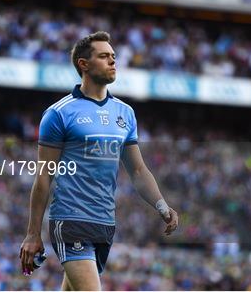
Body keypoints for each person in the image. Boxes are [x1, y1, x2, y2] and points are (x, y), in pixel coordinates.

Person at [19, 31, 179, 290]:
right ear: (84, 64)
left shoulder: (125, 113)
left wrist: (161, 205)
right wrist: (33, 233)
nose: (113, 61)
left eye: (113, 56)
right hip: (70, 220)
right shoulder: (59, 114)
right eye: (104, 56)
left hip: (104, 222)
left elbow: (138, 171)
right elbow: (43, 176)